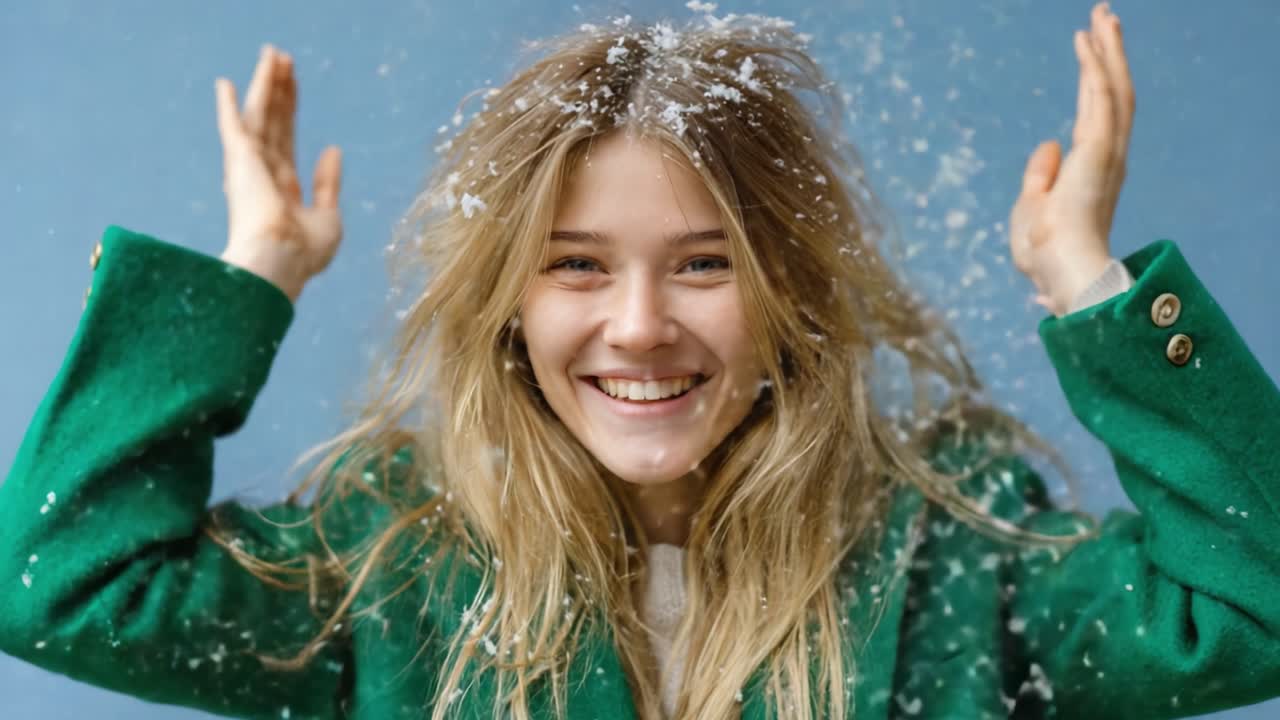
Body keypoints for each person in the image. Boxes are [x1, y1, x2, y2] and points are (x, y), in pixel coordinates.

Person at [2, 2, 1278, 719]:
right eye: (574, 266)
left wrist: (1089, 290)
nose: (637, 324)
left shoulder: (953, 560)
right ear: (507, 306)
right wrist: (249, 279)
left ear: (788, 295)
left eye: (705, 264)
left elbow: (1251, 611)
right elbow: (55, 583)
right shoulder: (395, 567)